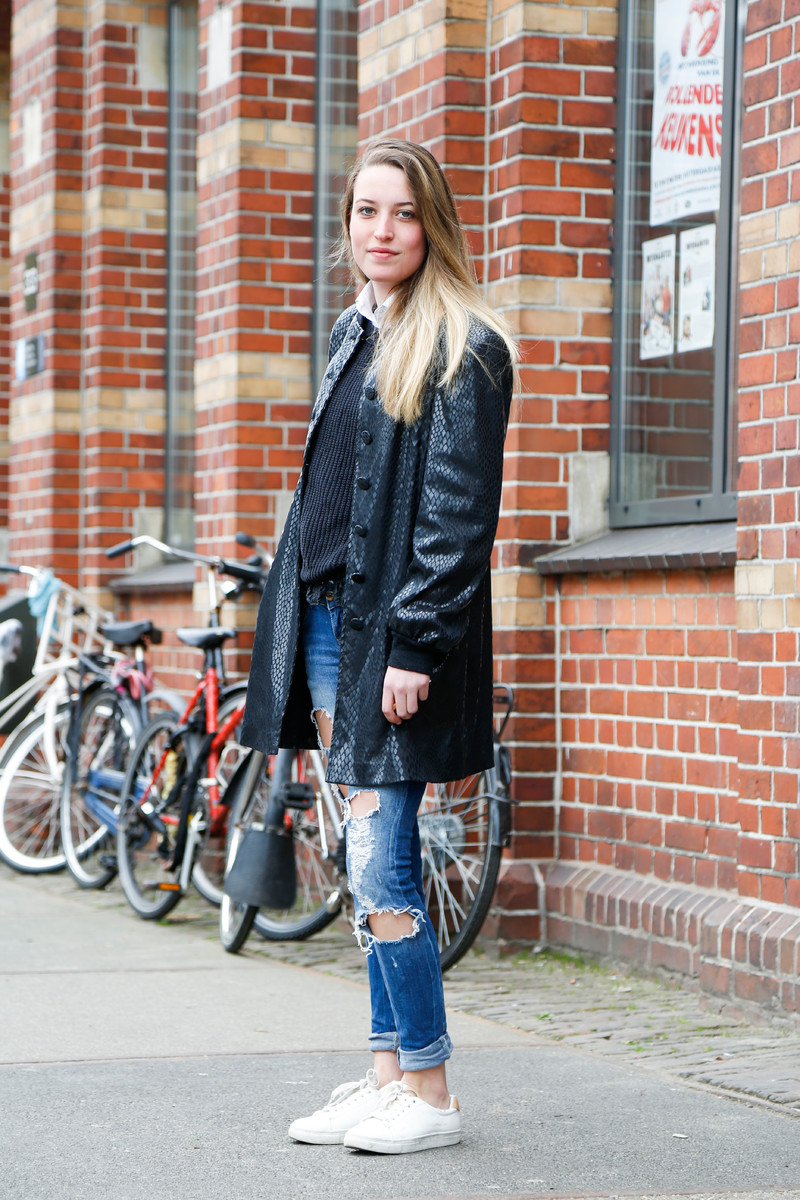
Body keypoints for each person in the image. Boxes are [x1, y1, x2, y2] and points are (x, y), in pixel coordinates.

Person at [240, 138, 517, 1155]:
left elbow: (455, 520)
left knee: (382, 862)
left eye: (402, 212)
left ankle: (432, 1092)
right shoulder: (355, 328)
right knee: (359, 861)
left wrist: (416, 646)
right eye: (366, 211)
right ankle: (386, 1073)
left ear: (430, 223)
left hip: (389, 643)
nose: (382, 230)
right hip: (327, 627)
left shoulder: (464, 345)